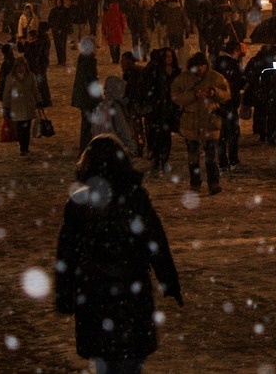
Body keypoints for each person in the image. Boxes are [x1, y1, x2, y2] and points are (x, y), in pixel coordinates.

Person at [55, 135, 182, 374]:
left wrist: (64, 294)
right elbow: (155, 242)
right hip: (131, 291)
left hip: (94, 293)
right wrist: (169, 281)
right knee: (131, 362)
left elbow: (67, 253)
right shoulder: (135, 198)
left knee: (105, 363)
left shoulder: (80, 202)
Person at [171, 51, 231, 194]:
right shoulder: (183, 79)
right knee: (193, 157)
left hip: (210, 121)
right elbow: (176, 96)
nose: (200, 69)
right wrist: (193, 95)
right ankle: (195, 183)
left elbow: (226, 94)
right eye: (197, 66)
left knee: (211, 156)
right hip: (191, 122)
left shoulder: (216, 78)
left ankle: (213, 183)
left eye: (202, 66)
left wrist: (213, 92)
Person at [213, 38, 247, 172]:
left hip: (218, 103)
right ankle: (233, 160)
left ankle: (222, 162)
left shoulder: (217, 63)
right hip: (230, 103)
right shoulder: (233, 64)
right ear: (235, 51)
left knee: (221, 135)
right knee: (232, 134)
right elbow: (240, 82)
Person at [1, 56, 44, 156]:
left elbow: (35, 90)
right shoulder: (11, 77)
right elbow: (7, 93)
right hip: (17, 106)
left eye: (22, 65)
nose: (21, 68)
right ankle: (22, 146)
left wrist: (39, 101)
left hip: (28, 105)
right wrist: (6, 106)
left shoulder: (30, 76)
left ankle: (25, 147)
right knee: (20, 128)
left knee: (27, 128)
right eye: (19, 66)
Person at [71, 39, 102, 155]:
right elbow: (90, 82)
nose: (95, 51)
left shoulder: (84, 60)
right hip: (87, 99)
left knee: (87, 124)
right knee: (88, 125)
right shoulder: (88, 62)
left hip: (84, 98)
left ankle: (86, 148)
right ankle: (86, 149)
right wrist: (97, 97)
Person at [48, 0, 73, 65]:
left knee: (63, 45)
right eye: (57, 2)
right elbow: (50, 20)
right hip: (55, 31)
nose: (58, 3)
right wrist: (53, 26)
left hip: (63, 31)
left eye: (59, 2)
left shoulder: (65, 10)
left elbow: (68, 20)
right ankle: (59, 60)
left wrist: (64, 27)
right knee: (57, 45)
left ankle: (63, 60)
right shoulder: (53, 11)